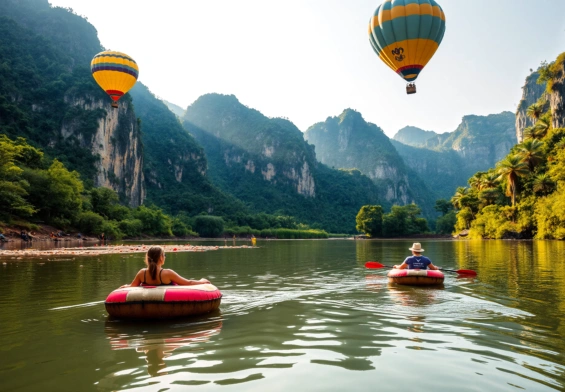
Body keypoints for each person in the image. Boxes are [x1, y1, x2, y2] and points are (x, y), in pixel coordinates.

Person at [121, 246, 211, 287]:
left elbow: (132, 286)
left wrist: (125, 286)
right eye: (164, 255)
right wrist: (202, 281)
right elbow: (188, 283)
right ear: (161, 258)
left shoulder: (142, 273)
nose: (165, 257)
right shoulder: (167, 273)